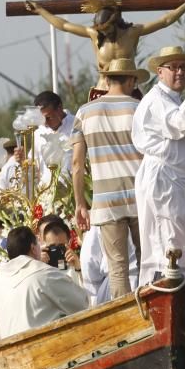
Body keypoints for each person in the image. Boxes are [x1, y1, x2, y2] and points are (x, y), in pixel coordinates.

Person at [131, 46, 185, 285]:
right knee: (168, 243)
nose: (180, 72)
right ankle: (166, 288)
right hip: (163, 181)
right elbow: (181, 124)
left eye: (184, 67)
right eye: (173, 67)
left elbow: (182, 146)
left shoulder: (172, 100)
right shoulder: (155, 101)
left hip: (178, 179)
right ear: (160, 72)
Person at [71, 57, 146, 299]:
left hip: (106, 200)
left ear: (108, 79)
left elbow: (76, 165)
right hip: (141, 195)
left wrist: (80, 203)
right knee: (148, 262)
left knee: (117, 268)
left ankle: (127, 323)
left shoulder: (84, 113)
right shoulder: (139, 109)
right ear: (131, 80)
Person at [24, 0, 185, 97]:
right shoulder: (94, 34)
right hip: (103, 89)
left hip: (129, 90)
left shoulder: (132, 33)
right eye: (100, 29)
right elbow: (64, 25)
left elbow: (165, 21)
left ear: (115, 22)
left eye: (107, 29)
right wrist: (40, 10)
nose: (104, 33)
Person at [0, 226, 88, 343]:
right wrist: (78, 268)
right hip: (49, 351)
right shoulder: (44, 274)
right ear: (33, 248)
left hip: (14, 356)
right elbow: (83, 304)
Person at [15, 91, 75, 188]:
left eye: (48, 117)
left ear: (59, 108)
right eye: (42, 119)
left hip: (74, 190)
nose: (45, 123)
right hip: (47, 192)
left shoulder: (77, 125)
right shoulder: (38, 132)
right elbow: (34, 167)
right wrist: (23, 160)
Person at [79, 223, 138, 306]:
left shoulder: (99, 219)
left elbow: (89, 263)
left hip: (118, 283)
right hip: (143, 277)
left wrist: (95, 296)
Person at [37, 216, 82, 286]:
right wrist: (39, 267)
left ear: (69, 242)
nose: (57, 251)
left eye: (61, 246)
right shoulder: (38, 264)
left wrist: (78, 268)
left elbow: (88, 292)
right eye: (52, 247)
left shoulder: (76, 263)